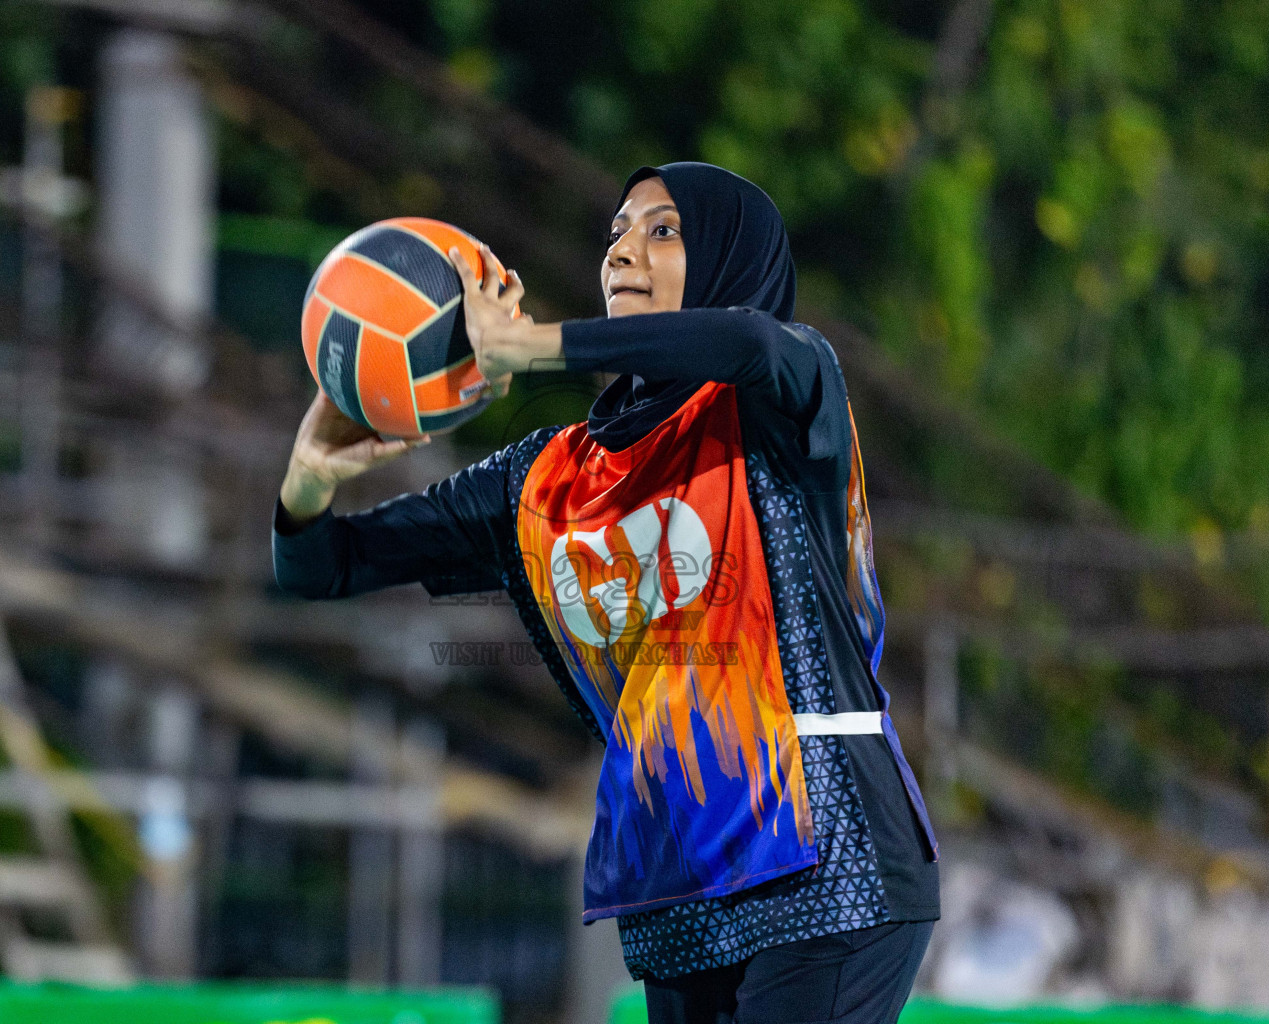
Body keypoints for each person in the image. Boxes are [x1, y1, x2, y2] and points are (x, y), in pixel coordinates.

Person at [274, 162, 940, 1024]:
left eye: (663, 230)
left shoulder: (780, 397)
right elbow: (320, 565)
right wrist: (306, 482)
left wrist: (536, 344)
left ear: (733, 258)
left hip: (832, 866)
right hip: (680, 895)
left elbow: (747, 341)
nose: (625, 249)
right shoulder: (541, 480)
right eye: (618, 231)